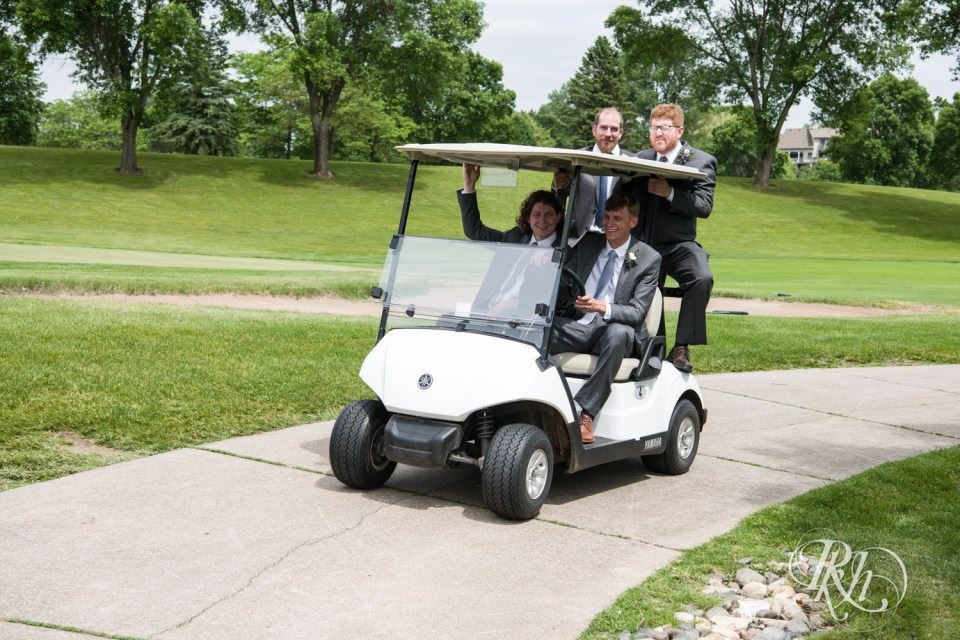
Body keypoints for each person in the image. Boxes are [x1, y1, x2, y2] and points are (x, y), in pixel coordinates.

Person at [549, 193, 660, 444]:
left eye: (617, 218)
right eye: (607, 217)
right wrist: (571, 299)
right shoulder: (589, 243)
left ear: (633, 222)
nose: (609, 223)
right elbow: (565, 285)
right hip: (580, 326)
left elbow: (636, 312)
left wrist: (602, 307)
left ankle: (586, 414)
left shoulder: (648, 258)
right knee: (541, 328)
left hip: (614, 332)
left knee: (618, 332)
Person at [617, 103, 717, 374]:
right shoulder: (640, 158)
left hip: (679, 245)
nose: (657, 132)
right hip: (644, 246)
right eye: (653, 127)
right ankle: (654, 347)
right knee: (647, 288)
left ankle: (682, 346)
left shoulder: (701, 160)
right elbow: (620, 194)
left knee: (702, 277)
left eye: (664, 127)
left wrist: (670, 192)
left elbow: (703, 206)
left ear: (679, 130)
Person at [552, 107, 634, 240]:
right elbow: (557, 200)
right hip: (578, 239)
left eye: (614, 129)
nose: (608, 134)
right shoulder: (576, 158)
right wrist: (558, 186)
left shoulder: (633, 162)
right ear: (594, 129)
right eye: (603, 128)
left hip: (618, 238)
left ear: (621, 133)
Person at [459, 163, 563, 247]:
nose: (542, 220)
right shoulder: (514, 238)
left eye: (549, 214)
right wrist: (469, 185)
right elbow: (474, 231)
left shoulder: (567, 252)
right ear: (528, 218)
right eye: (537, 214)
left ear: (558, 217)